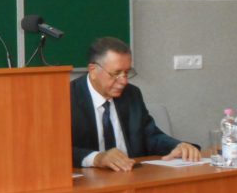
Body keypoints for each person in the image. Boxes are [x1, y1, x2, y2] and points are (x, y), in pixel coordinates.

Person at [71, 37, 200, 171]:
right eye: (116, 73)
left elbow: (149, 136)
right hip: (89, 177)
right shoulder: (67, 98)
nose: (124, 81)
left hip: (132, 174)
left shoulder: (131, 93)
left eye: (126, 73)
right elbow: (60, 149)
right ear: (93, 71)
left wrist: (176, 146)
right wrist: (97, 158)